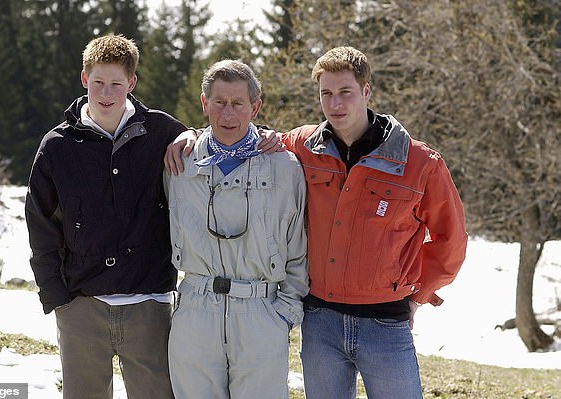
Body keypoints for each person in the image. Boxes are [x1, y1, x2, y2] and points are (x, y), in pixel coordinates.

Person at [165, 46, 468, 399]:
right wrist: (188, 134)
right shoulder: (303, 147)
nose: (335, 104)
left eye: (345, 92)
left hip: (386, 323)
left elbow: (451, 240)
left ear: (366, 91)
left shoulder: (417, 161)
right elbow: (241, 132)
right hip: (321, 321)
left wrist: (418, 295)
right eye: (326, 94)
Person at [25, 34, 187, 399]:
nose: (106, 93)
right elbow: (41, 224)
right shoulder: (57, 146)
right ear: (85, 79)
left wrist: (188, 136)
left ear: (132, 84)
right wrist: (55, 295)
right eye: (98, 82)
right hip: (81, 306)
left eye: (116, 84)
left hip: (149, 304)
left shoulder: (161, 131)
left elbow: (209, 141)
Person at [165, 59, 309, 399]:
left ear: (255, 107)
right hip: (195, 312)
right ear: (204, 104)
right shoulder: (178, 163)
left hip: (261, 313)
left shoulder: (285, 167)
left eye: (238, 104)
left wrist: (283, 316)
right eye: (219, 102)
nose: (228, 114)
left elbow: (299, 248)